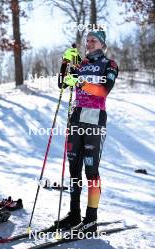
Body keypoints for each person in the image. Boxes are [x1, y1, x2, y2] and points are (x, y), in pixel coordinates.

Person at [56, 28, 119, 234]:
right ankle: (74, 214)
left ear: (102, 44)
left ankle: (91, 219)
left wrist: (81, 81)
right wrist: (66, 62)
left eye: (94, 40)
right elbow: (62, 83)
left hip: (94, 120)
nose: (89, 43)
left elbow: (103, 90)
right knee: (74, 170)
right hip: (75, 118)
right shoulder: (80, 64)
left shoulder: (110, 65)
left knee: (91, 171)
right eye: (87, 40)